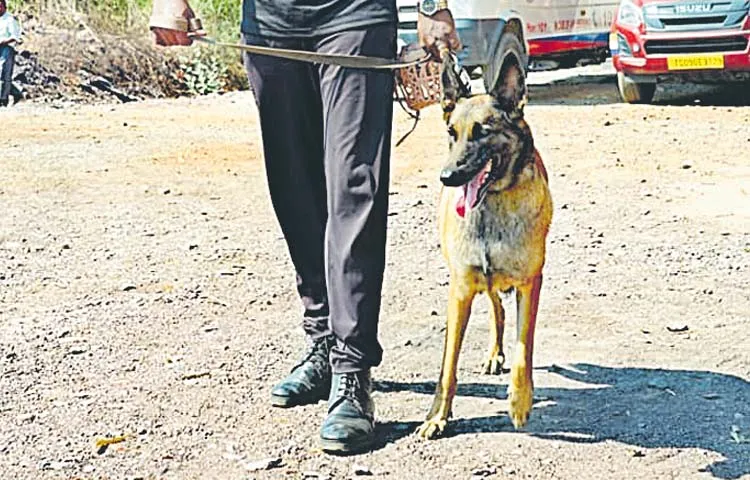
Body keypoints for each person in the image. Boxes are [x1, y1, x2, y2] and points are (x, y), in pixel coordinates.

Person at [150, 0, 460, 452]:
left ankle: (352, 368)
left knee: (354, 182)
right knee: (293, 181)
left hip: (356, 14)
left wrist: (432, 6)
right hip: (270, 20)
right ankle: (322, 342)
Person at [0, 0, 22, 108]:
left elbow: (15, 37)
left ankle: (3, 99)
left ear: (4, 7)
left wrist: (3, 41)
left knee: (3, 73)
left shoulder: (10, 20)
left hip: (7, 48)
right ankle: (16, 93)